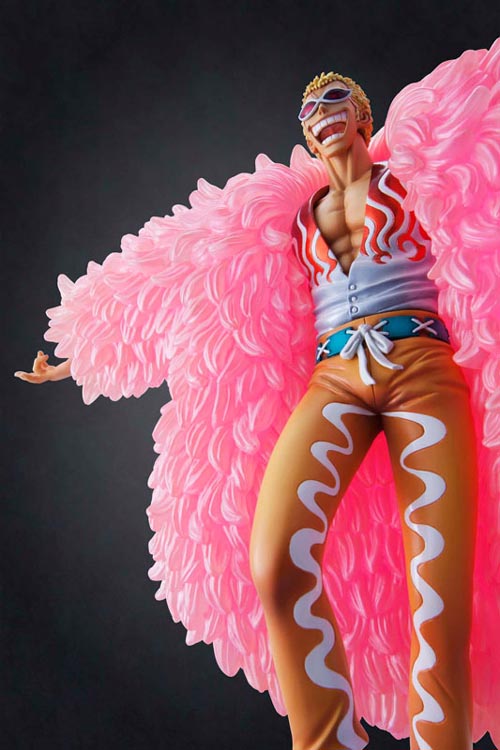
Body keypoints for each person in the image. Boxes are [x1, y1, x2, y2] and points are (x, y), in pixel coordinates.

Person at [15, 48, 500, 750]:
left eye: (335, 101)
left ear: (363, 117)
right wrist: (86, 350)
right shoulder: (292, 219)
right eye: (310, 109)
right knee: (275, 559)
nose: (321, 113)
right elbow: (182, 264)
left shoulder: (415, 177)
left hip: (424, 370)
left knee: (440, 597)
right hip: (335, 379)